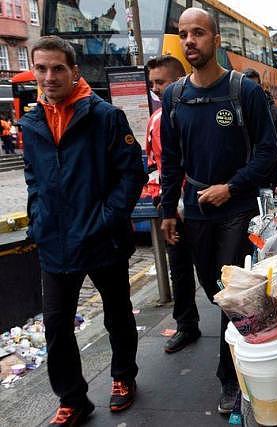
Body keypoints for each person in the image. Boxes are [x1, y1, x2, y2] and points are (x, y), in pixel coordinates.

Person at [21, 36, 146, 425]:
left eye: (58, 68)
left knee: (117, 312)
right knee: (57, 325)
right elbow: (34, 178)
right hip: (55, 242)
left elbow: (132, 173)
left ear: (74, 71)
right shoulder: (33, 120)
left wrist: (106, 218)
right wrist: (37, 217)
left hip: (100, 238)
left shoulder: (104, 116)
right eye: (41, 68)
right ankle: (73, 398)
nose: (49, 76)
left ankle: (123, 376)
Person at [159, 8, 277, 414]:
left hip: (238, 208)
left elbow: (268, 153)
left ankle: (230, 378)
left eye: (198, 33)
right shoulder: (174, 96)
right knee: (213, 289)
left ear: (216, 41)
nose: (189, 40)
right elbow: (170, 161)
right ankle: (256, 331)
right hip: (195, 211)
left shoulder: (244, 91)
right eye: (183, 34)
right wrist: (168, 211)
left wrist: (231, 187)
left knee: (231, 296)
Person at [144, 55, 204, 355]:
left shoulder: (192, 112)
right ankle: (186, 325)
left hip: (200, 204)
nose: (156, 89)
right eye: (152, 83)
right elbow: (160, 166)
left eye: (161, 82)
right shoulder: (156, 118)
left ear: (178, 80)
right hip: (172, 206)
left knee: (213, 267)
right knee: (179, 268)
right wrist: (168, 205)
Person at [243, 68, 277, 187]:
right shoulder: (237, 112)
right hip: (245, 178)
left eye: (254, 86)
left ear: (260, 86)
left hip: (269, 179)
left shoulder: (275, 112)